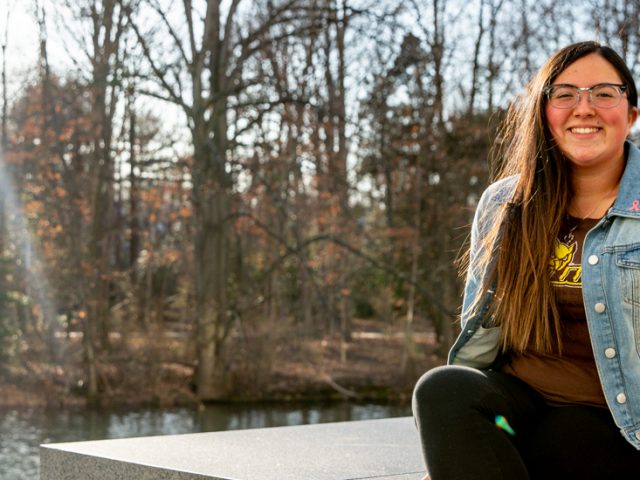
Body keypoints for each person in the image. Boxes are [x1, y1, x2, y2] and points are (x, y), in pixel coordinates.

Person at [412, 41, 640, 480]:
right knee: (441, 390)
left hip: (618, 422)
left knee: (564, 437)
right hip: (519, 404)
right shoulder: (505, 203)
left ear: (630, 114)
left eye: (604, 93)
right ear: (544, 111)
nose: (584, 108)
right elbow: (482, 334)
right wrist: (452, 445)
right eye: (565, 93)